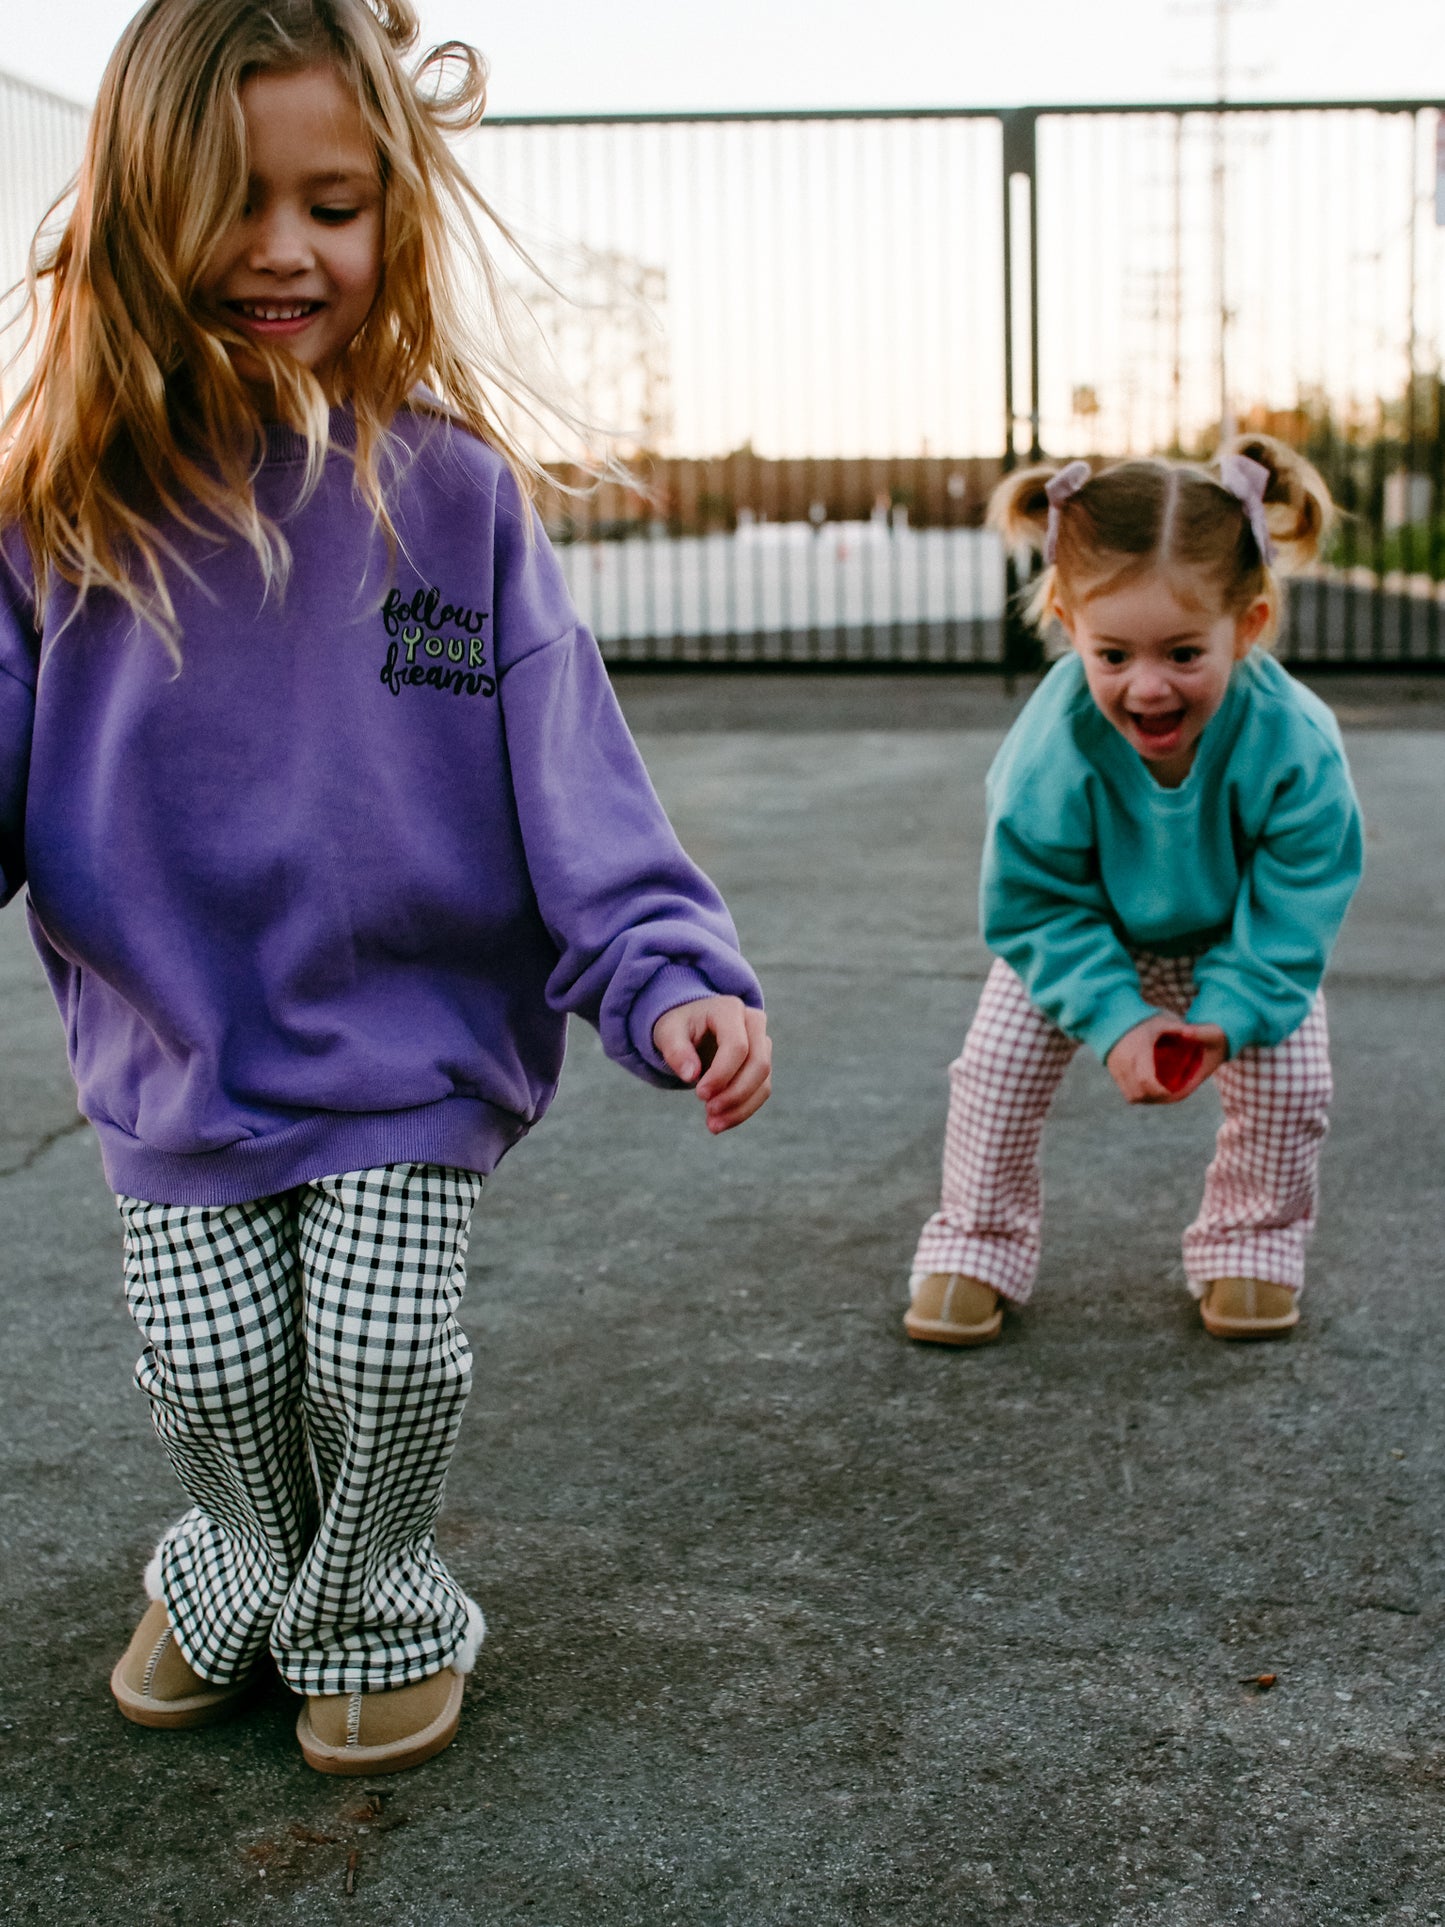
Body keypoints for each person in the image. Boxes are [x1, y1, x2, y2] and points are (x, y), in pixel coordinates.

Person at [0, 0, 771, 1776]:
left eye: (334, 205)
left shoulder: (455, 496)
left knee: (381, 1349)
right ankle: (236, 1564)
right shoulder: (55, 506)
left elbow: (575, 777)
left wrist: (667, 969)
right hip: (178, 1059)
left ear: (395, 217)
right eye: (233, 199)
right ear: (131, 211)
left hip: (411, 1052)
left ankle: (376, 1604)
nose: (285, 249)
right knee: (214, 1373)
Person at [905, 437, 1362, 1349]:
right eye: (1111, 653)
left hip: (1241, 940)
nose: (1146, 686)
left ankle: (1250, 1244)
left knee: (1291, 1081)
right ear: (1068, 624)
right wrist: (1114, 1017)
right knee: (992, 1072)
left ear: (1252, 623)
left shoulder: (1294, 740)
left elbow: (1297, 898)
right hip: (1083, 939)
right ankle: (975, 1241)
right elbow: (1034, 903)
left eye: (1184, 652)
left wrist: (1231, 1011)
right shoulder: (1052, 741)